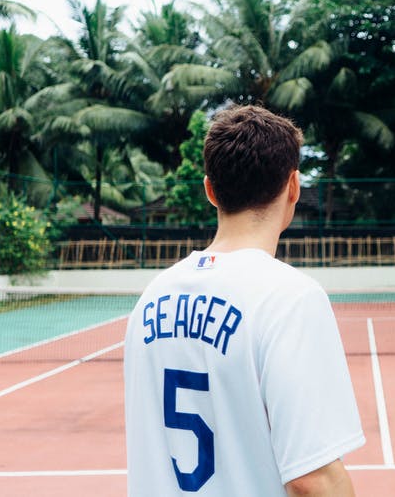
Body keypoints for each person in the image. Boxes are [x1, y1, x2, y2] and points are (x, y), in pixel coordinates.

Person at [124, 105, 365, 496]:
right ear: (293, 187)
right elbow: (313, 478)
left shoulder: (151, 300)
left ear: (210, 190)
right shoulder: (290, 299)